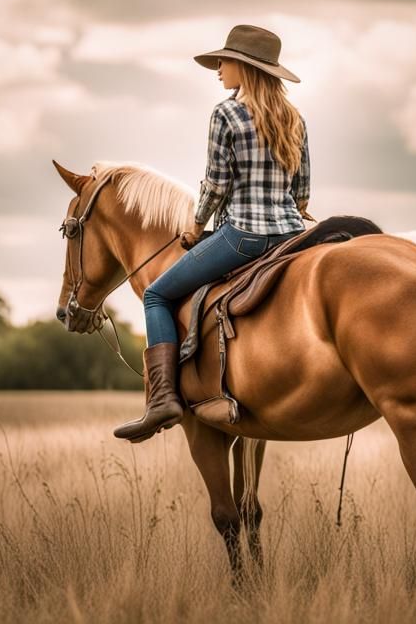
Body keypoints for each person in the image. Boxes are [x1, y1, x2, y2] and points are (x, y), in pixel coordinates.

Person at [114, 24, 312, 442]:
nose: (217, 70)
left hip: (244, 235)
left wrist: (194, 226)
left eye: (223, 62)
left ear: (243, 66)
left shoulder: (226, 114)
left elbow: (216, 184)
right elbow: (303, 191)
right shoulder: (294, 117)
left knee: (157, 295)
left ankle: (162, 398)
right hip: (293, 238)